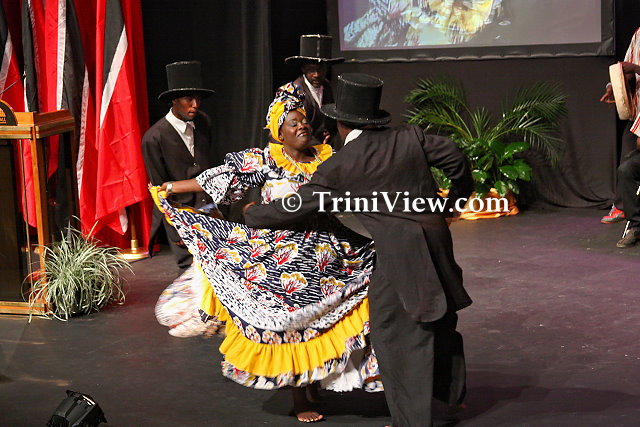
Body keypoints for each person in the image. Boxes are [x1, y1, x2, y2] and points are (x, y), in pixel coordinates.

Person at [244, 73, 474, 427]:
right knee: (440, 319)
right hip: (437, 241)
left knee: (396, 336)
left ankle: (413, 422)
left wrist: (253, 213)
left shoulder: (342, 163)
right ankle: (449, 397)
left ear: (341, 123)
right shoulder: (408, 137)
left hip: (400, 255)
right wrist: (453, 203)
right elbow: (455, 157)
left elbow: (298, 205)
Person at [151, 84, 381, 423]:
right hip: (284, 259)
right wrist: (171, 187)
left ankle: (317, 381)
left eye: (304, 121)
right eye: (293, 123)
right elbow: (219, 178)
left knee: (329, 315)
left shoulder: (326, 158)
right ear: (279, 133)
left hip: (329, 250)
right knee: (292, 324)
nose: (302, 126)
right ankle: (300, 397)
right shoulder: (267, 160)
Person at [142, 61, 216, 269]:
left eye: (198, 99)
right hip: (181, 217)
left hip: (210, 214)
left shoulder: (203, 122)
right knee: (190, 274)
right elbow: (159, 191)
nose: (195, 104)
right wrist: (176, 231)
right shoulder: (154, 138)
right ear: (174, 99)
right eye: (188, 99)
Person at [600, 28, 640, 246]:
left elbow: (633, 68)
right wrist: (614, 87)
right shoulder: (638, 35)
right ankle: (627, 212)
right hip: (638, 113)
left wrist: (636, 68)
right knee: (627, 165)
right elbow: (625, 70)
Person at [285, 34, 343, 147]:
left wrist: (329, 134)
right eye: (311, 70)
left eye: (321, 70)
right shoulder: (293, 92)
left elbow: (330, 121)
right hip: (300, 150)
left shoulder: (326, 86)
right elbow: (293, 130)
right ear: (303, 69)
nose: (316, 75)